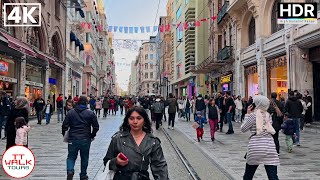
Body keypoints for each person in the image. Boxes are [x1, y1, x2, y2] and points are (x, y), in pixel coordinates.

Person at [103, 106, 169, 179]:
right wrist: (116, 162)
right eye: (131, 118)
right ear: (127, 121)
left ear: (144, 120)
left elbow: (160, 167)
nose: (135, 122)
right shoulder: (117, 139)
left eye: (139, 118)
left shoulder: (152, 142)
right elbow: (106, 161)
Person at [241, 95, 279, 180]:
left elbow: (243, 129)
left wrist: (247, 114)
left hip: (255, 147)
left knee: (248, 175)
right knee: (273, 176)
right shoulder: (268, 115)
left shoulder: (252, 116)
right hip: (269, 147)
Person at [62, 96, 99, 180]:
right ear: (86, 103)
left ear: (77, 102)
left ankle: (70, 171)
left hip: (73, 138)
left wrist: (64, 135)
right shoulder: (90, 113)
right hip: (86, 139)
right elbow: (96, 127)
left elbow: (64, 126)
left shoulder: (71, 112)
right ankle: (83, 175)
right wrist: (92, 135)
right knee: (84, 157)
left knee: (71, 157)